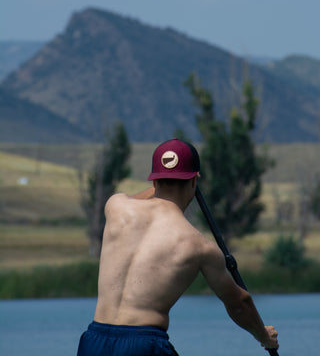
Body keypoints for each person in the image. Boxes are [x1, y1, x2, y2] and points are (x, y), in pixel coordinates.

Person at [77, 138, 279, 355]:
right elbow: (239, 302)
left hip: (93, 341)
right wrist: (264, 335)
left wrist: (166, 181)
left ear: (154, 182)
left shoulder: (115, 207)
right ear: (194, 182)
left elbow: (147, 198)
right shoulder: (199, 246)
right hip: (144, 345)